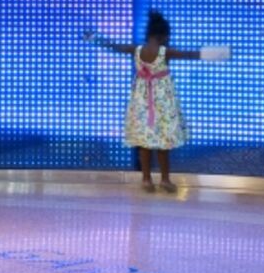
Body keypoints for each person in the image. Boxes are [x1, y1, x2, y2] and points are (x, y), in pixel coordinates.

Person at [86, 11, 229, 194]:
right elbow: (190, 54)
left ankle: (146, 180)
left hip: (141, 101)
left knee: (143, 141)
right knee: (163, 142)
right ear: (164, 35)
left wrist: (96, 38)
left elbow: (115, 47)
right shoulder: (165, 52)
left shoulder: (137, 50)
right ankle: (165, 180)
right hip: (162, 102)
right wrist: (220, 53)